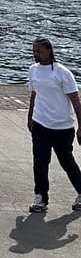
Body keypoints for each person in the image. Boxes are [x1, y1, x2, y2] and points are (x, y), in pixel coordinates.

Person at [26, 37, 81, 213]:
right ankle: (41, 198)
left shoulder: (62, 73)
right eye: (34, 51)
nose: (36, 54)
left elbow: (75, 101)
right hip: (41, 124)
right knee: (40, 162)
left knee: (67, 161)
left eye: (39, 51)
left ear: (49, 51)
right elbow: (34, 94)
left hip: (62, 127)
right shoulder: (33, 70)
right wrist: (30, 117)